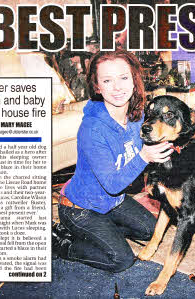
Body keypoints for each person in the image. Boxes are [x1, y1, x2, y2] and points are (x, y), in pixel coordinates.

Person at [52, 50, 173, 272]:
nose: (117, 87)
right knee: (121, 260)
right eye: (107, 80)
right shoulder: (93, 128)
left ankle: (101, 231)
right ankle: (62, 243)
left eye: (123, 78)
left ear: (135, 80)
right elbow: (112, 185)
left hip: (111, 202)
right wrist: (144, 156)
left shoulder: (136, 117)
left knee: (150, 231)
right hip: (81, 207)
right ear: (97, 86)